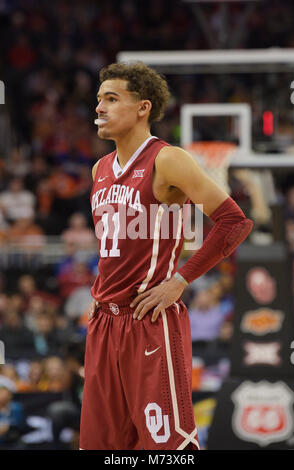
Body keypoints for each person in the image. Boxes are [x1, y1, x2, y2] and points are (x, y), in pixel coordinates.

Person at [79, 62, 253, 451]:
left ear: (142, 107)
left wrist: (181, 280)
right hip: (104, 325)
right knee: (103, 445)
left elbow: (233, 223)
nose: (100, 108)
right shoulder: (99, 170)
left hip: (149, 320)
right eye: (98, 100)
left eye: (111, 99)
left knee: (166, 447)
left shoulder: (166, 159)